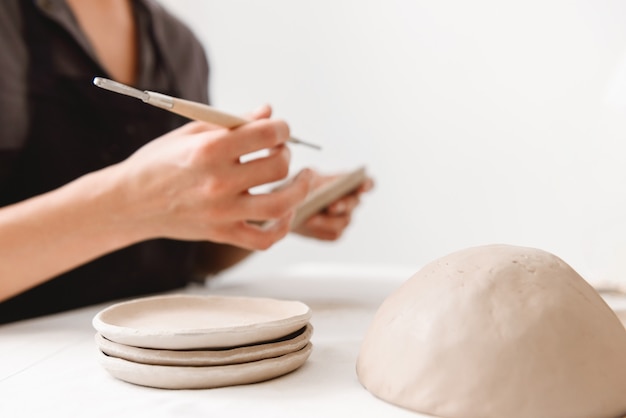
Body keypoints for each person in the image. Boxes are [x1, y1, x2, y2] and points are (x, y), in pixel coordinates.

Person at [0, 0, 373, 324]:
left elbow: (188, 257)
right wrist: (130, 202)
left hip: (164, 363)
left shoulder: (179, 44)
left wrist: (273, 208)